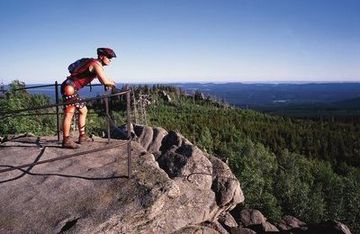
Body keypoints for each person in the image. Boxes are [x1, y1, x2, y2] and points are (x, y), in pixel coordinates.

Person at [61, 48, 117, 149]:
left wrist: (110, 82)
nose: (110, 60)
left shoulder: (96, 64)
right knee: (69, 114)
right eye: (108, 57)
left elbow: (103, 78)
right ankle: (66, 140)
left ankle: (82, 136)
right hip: (69, 88)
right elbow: (104, 80)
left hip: (71, 88)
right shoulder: (95, 64)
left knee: (83, 111)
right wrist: (113, 84)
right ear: (101, 56)